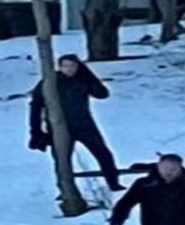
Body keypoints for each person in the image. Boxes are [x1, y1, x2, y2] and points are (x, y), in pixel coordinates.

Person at [29, 54, 124, 192]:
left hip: (84, 124)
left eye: (73, 66)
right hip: (59, 127)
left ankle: (113, 183)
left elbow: (102, 94)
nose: (69, 69)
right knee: (62, 161)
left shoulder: (83, 79)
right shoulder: (50, 81)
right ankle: (66, 190)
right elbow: (36, 105)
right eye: (65, 66)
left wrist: (89, 75)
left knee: (103, 153)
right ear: (60, 67)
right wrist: (36, 131)